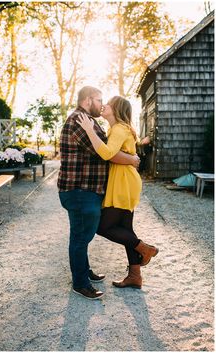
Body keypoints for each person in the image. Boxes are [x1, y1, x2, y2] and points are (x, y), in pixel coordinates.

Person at [58, 86, 140, 300]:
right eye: (99, 99)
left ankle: (84, 272)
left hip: (87, 189)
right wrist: (131, 159)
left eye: (105, 100)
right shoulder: (79, 120)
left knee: (83, 234)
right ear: (88, 100)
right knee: (80, 235)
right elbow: (106, 152)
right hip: (79, 190)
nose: (102, 103)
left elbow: (109, 148)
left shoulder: (89, 121)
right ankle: (80, 283)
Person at [77, 96, 159, 289]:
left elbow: (107, 154)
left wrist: (89, 130)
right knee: (125, 229)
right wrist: (131, 159)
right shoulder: (117, 129)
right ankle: (135, 275)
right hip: (124, 180)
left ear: (117, 109)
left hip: (124, 182)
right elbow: (114, 154)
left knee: (103, 227)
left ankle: (145, 249)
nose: (104, 105)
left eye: (109, 104)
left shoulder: (119, 129)